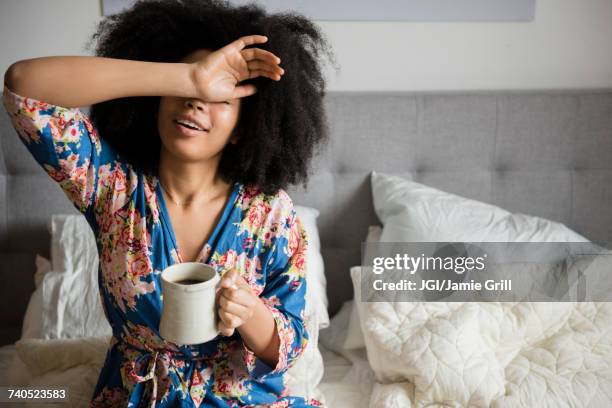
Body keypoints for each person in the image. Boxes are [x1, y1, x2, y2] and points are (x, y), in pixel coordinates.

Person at [2, 0, 334, 406]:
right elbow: (23, 84)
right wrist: (190, 76)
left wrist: (250, 315)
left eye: (221, 98)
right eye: (188, 92)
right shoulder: (111, 186)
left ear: (240, 130)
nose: (197, 102)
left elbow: (292, 345)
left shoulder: (270, 213)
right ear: (159, 98)